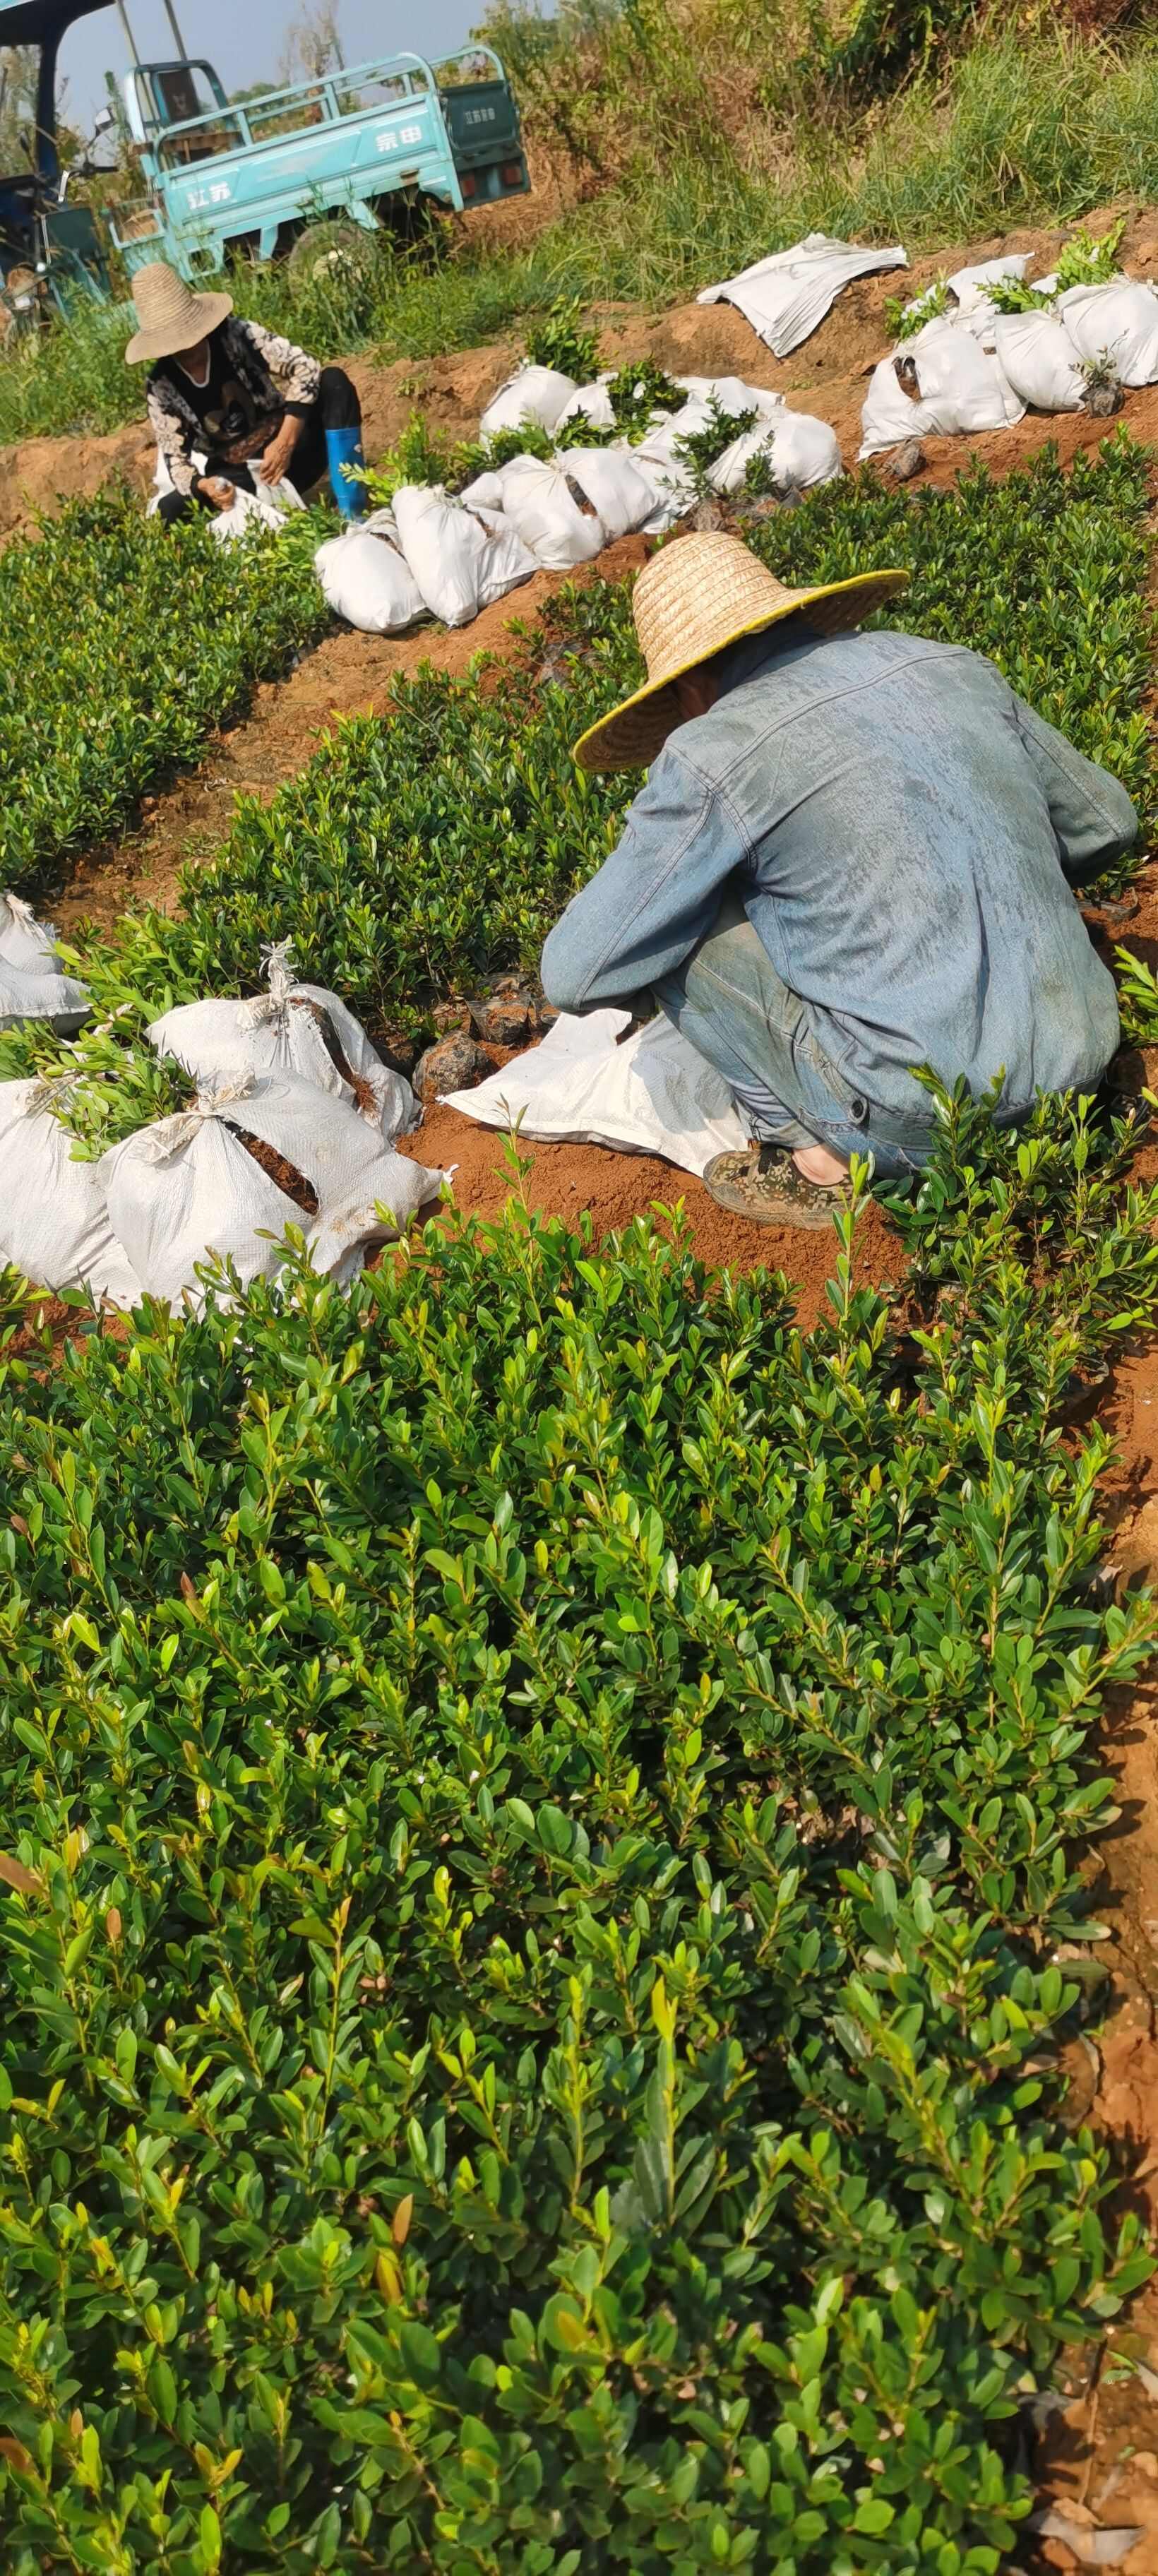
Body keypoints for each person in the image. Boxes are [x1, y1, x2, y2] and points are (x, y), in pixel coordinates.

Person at [541, 531, 1133, 1227]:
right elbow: (1107, 823)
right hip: (1082, 1068)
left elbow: (575, 974)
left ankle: (810, 1156)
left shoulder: (710, 749)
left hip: (913, 1120)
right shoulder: (948, 665)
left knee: (674, 924)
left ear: (690, 685)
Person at [125, 260, 367, 527]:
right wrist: (205, 486)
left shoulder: (235, 335)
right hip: (240, 478)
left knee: (334, 382)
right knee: (167, 512)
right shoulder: (161, 387)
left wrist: (285, 442)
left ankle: (352, 509)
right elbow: (177, 463)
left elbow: (306, 367)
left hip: (295, 450)